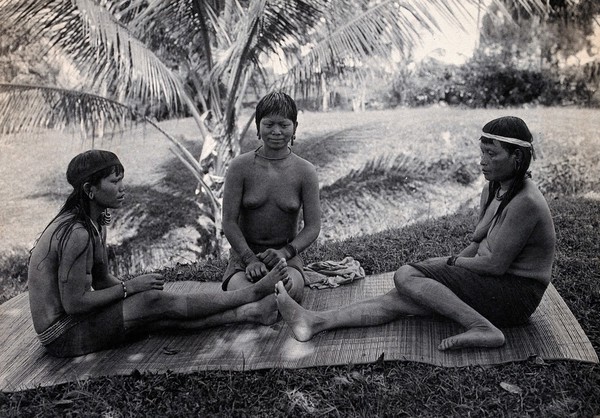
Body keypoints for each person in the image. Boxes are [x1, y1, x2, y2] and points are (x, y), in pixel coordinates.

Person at [275, 116, 556, 351]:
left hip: (515, 296)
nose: (482, 161)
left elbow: (495, 265)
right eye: (482, 152)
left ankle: (482, 328)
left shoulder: (526, 202)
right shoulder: (493, 187)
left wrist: (449, 265)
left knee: (407, 275)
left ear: (517, 157)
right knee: (401, 296)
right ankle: (314, 322)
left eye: (492, 154)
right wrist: (450, 266)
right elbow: (477, 243)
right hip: (491, 283)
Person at [28, 149, 291, 357]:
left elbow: (101, 280)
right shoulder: (76, 233)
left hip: (77, 325)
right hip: (63, 336)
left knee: (154, 313)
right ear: (89, 190)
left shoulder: (95, 221)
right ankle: (251, 293)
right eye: (114, 182)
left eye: (122, 180)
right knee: (152, 305)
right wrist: (129, 289)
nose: (122, 188)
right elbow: (74, 304)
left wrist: (132, 290)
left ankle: (252, 313)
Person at [221, 91, 321, 305]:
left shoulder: (305, 171)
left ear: (295, 127)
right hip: (243, 259)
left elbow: (313, 227)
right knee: (249, 295)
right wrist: (248, 259)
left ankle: (266, 298)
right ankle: (259, 298)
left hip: (286, 259)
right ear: (258, 127)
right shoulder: (240, 167)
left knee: (287, 292)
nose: (276, 131)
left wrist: (285, 253)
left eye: (284, 125)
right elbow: (228, 221)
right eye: (269, 124)